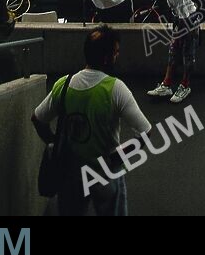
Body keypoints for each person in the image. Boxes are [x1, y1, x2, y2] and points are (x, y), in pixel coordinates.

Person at [31, 26, 151, 216]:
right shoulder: (116, 88)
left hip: (71, 173)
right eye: (115, 52)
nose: (117, 56)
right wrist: (116, 159)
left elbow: (37, 118)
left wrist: (54, 142)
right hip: (106, 173)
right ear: (106, 58)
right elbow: (145, 132)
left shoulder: (64, 84)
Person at [145, 0, 199, 104]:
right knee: (172, 54)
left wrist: (179, 37)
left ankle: (185, 86)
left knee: (187, 56)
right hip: (179, 21)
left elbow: (186, 20)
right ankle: (167, 84)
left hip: (189, 23)